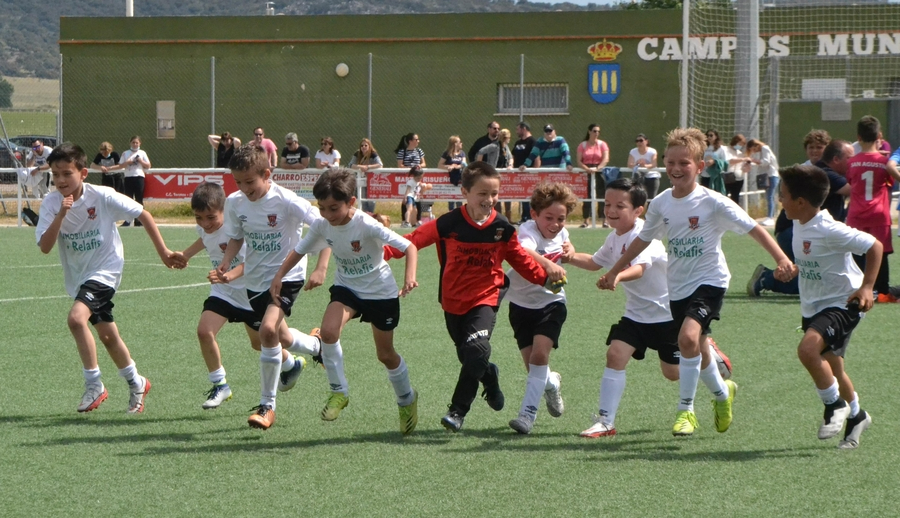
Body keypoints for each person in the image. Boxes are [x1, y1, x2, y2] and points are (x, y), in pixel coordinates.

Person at [599, 127, 791, 437]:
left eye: (684, 163)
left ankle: (685, 411)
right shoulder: (661, 203)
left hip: (710, 281)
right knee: (698, 348)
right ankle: (721, 393)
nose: (675, 169)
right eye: (670, 162)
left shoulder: (713, 202)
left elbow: (754, 228)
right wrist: (613, 271)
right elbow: (642, 241)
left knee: (687, 339)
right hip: (678, 287)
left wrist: (781, 259)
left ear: (700, 167)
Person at [384, 161, 563, 433]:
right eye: (482, 193)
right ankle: (490, 378)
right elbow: (411, 241)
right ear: (464, 192)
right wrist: (380, 252)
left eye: (494, 194)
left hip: (486, 299)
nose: (489, 200)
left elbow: (520, 260)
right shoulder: (447, 224)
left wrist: (546, 279)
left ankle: (457, 411)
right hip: (453, 302)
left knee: (478, 349)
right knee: (471, 358)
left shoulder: (503, 228)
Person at [568, 178, 732, 438]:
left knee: (674, 374)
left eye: (619, 206)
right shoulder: (613, 238)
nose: (610, 210)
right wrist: (569, 257)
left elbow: (639, 268)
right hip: (635, 317)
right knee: (615, 355)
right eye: (607, 204)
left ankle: (708, 354)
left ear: (638, 211)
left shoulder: (647, 236)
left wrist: (616, 276)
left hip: (667, 317)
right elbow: (594, 262)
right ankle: (605, 421)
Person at [36, 143, 183, 414]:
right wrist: (61, 214)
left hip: (106, 270)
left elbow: (143, 214)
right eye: (55, 174)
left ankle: (94, 384)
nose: (60, 180)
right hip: (80, 276)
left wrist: (163, 252)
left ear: (83, 173)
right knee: (107, 335)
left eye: (66, 173)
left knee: (76, 318)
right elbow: (45, 246)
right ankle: (137, 382)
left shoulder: (102, 196)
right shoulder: (51, 203)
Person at [272, 168, 420, 434]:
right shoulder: (321, 224)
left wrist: (409, 277)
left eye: (333, 208)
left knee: (385, 355)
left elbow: (409, 247)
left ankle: (407, 398)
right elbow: (299, 250)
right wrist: (279, 276)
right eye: (322, 208)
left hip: (380, 292)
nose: (327, 215)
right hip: (347, 288)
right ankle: (339, 391)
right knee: (328, 332)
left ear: (351, 203)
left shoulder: (367, 224)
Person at [173, 182, 317, 410]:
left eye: (211, 217)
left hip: (252, 294)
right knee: (204, 331)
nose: (205, 224)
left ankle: (298, 358)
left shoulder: (237, 229)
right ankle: (220, 384)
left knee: (269, 342)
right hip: (223, 293)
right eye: (198, 218)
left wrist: (229, 274)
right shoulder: (204, 228)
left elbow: (250, 261)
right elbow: (205, 239)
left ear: (224, 211)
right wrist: (185, 255)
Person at [217, 144, 329, 430]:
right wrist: (227, 262)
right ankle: (317, 347)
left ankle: (267, 405)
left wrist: (321, 267)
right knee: (281, 338)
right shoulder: (234, 202)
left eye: (250, 182)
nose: (243, 188)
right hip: (254, 282)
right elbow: (236, 237)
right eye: (238, 182)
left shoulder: (287, 201)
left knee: (267, 331)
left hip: (287, 277)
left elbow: (325, 227)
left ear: (267, 174)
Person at [772, 164, 879, 449]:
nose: (779, 200)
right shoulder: (799, 222)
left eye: (782, 195)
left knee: (807, 350)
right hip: (814, 306)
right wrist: (792, 270)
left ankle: (834, 406)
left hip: (844, 303)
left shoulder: (829, 229)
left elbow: (874, 246)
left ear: (800, 202)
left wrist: (867, 287)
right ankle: (857, 416)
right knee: (833, 367)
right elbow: (812, 260)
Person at [505, 182, 575, 434]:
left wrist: (570, 250)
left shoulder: (562, 233)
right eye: (549, 218)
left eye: (561, 219)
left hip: (552, 303)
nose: (555, 224)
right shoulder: (527, 230)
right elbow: (523, 251)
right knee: (534, 368)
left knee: (539, 357)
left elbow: (568, 245)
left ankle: (527, 416)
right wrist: (548, 264)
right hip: (520, 305)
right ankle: (552, 383)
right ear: (535, 215)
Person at [748, 139, 853, 297]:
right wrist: (873, 167)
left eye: (820, 147)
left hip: (804, 230)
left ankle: (768, 277)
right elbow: (856, 192)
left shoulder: (824, 171)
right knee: (810, 282)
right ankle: (766, 279)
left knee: (816, 278)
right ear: (835, 158)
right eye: (851, 158)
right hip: (792, 231)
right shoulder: (825, 173)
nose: (815, 151)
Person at [845, 116, 900, 302]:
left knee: (858, 251)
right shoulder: (885, 162)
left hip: (856, 214)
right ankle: (882, 292)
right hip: (879, 213)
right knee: (881, 252)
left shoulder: (852, 162)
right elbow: (890, 183)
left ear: (858, 137)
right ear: (879, 137)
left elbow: (851, 182)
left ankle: (858, 289)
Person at [574, 124, 610, 228]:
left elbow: (605, 159)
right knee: (587, 195)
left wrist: (598, 168)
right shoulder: (583, 145)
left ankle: (604, 220)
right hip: (586, 171)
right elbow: (579, 161)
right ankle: (586, 220)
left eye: (598, 131)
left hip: (599, 171)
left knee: (602, 195)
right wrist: (587, 169)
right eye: (594, 131)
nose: (596, 133)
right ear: (589, 131)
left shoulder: (602, 144)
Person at [477, 129, 515, 219]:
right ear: (505, 138)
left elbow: (510, 157)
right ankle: (498, 216)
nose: (509, 139)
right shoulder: (494, 146)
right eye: (508, 138)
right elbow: (481, 151)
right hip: (494, 174)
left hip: (504, 175)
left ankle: (508, 217)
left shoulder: (506, 147)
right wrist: (479, 165)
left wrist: (510, 165)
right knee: (496, 194)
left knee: (507, 194)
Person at [746, 139, 780, 226]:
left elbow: (766, 162)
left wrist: (754, 160)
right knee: (769, 196)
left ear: (756, 145)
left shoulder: (765, 148)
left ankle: (770, 217)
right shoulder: (763, 150)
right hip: (770, 175)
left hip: (771, 175)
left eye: (753, 149)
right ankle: (770, 216)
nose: (754, 151)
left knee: (769, 196)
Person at [118, 136, 150, 227]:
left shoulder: (142, 153)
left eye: (137, 142)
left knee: (139, 199)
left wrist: (140, 160)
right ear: (130, 143)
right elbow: (120, 166)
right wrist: (128, 163)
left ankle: (139, 221)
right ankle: (128, 220)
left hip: (139, 177)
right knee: (128, 199)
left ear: (140, 143)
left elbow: (148, 165)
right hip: (128, 177)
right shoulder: (125, 153)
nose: (135, 144)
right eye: (133, 142)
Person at [396, 133, 427, 225]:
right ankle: (404, 220)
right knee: (405, 199)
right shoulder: (402, 151)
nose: (418, 141)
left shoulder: (419, 151)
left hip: (417, 178)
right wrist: (410, 168)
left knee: (417, 197)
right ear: (410, 141)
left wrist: (419, 166)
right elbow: (400, 165)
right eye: (416, 139)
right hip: (406, 178)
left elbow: (424, 163)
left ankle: (418, 220)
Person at [347, 138, 383, 213]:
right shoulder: (357, 154)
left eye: (365, 145)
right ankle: (365, 214)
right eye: (362, 145)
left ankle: (371, 214)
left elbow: (380, 164)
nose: (363, 147)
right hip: (361, 178)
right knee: (362, 197)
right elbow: (350, 165)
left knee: (370, 199)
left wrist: (368, 167)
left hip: (371, 179)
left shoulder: (373, 154)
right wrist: (360, 167)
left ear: (369, 146)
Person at [512, 122, 536, 222]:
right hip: (519, 174)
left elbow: (536, 157)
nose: (516, 131)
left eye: (518, 129)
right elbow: (513, 156)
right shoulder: (517, 143)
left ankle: (531, 217)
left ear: (524, 129)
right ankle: (524, 217)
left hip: (529, 174)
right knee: (522, 197)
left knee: (530, 197)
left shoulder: (532, 141)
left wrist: (534, 172)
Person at [627, 133, 659, 200]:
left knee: (651, 198)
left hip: (652, 176)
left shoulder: (652, 151)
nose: (639, 143)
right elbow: (629, 164)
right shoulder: (633, 151)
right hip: (639, 176)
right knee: (637, 197)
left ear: (646, 141)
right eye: (637, 141)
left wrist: (644, 165)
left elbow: (654, 164)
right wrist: (637, 164)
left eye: (641, 140)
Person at [438, 135, 466, 211]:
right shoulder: (446, 153)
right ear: (455, 143)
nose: (461, 143)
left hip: (460, 178)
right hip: (450, 179)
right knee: (451, 199)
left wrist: (455, 166)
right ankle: (451, 214)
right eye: (460, 142)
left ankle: (460, 214)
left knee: (459, 199)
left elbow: (464, 164)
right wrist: (448, 167)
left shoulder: (462, 153)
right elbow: (440, 165)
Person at [723, 134, 749, 206]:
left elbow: (742, 166)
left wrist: (747, 166)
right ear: (735, 141)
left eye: (742, 145)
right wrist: (743, 159)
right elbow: (729, 161)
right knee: (724, 196)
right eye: (740, 144)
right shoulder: (725, 149)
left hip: (738, 178)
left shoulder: (739, 153)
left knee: (735, 197)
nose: (740, 146)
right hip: (728, 177)